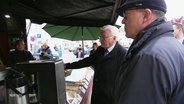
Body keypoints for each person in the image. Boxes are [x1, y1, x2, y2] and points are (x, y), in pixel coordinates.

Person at [114, 0, 184, 104]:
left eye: (126, 15)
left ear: (146, 15)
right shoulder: (174, 46)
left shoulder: (150, 56)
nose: (123, 21)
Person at [65, 25, 127, 104]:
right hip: (96, 95)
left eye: (104, 37)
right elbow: (87, 61)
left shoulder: (123, 54)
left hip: (110, 99)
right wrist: (67, 66)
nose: (100, 40)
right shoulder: (100, 49)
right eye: (100, 37)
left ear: (114, 38)